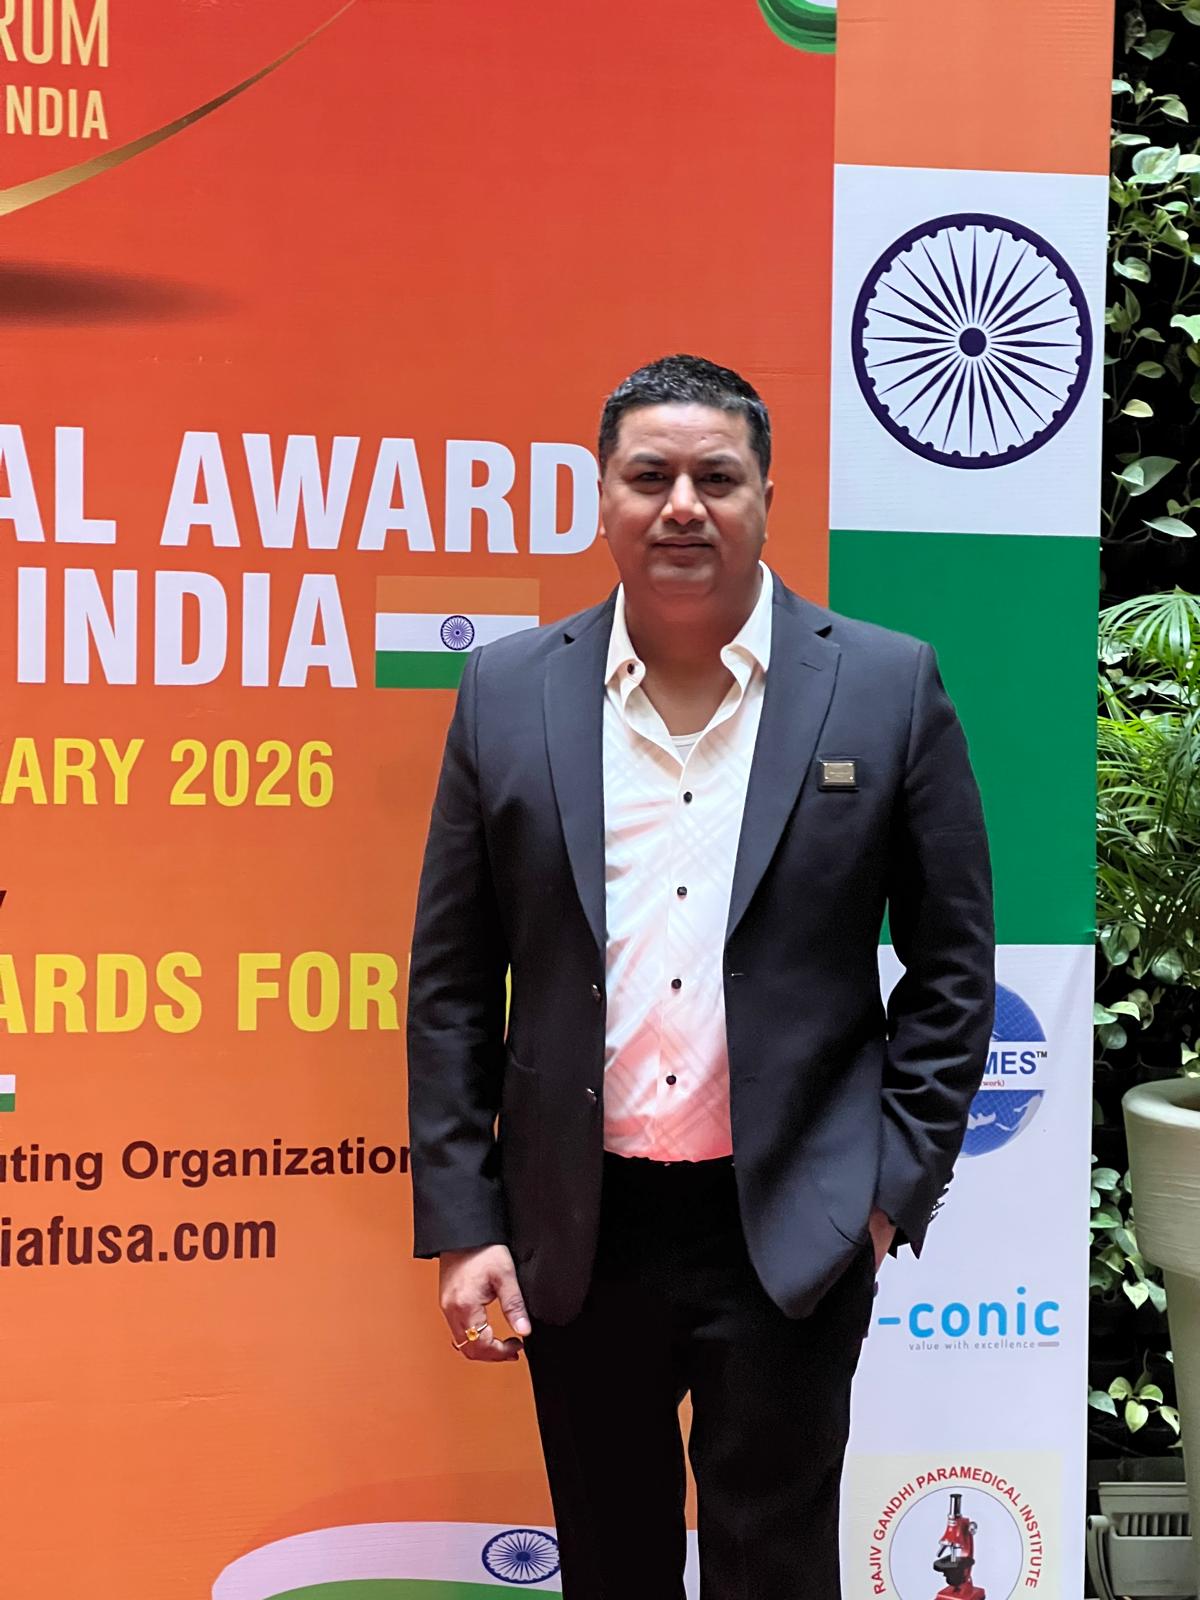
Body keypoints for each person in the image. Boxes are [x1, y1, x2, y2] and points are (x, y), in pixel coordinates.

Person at [406, 353, 995, 1599]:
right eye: (650, 475)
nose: (683, 504)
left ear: (767, 496)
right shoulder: (507, 692)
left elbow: (953, 964)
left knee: (774, 1566)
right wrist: (466, 1223)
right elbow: (453, 981)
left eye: (717, 477)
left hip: (791, 1223)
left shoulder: (883, 686)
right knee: (609, 1564)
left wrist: (884, 1191)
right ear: (601, 498)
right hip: (578, 1226)